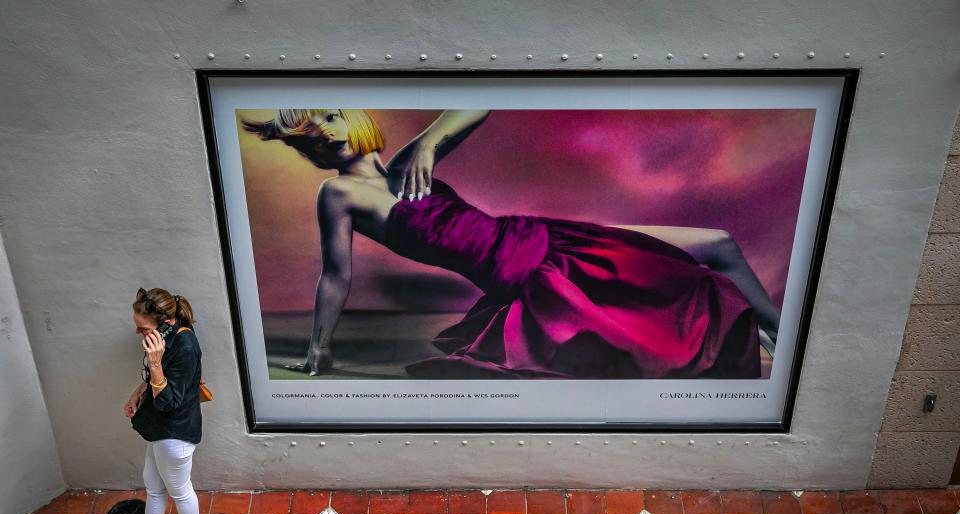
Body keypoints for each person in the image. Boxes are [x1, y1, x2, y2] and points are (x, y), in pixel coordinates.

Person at [242, 108, 780, 379]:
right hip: (530, 273)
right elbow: (336, 275)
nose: (329, 131)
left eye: (332, 116)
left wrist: (430, 141)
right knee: (711, 251)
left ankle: (781, 338)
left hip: (547, 237)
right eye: (313, 132)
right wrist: (319, 349)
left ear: (354, 117)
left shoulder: (407, 164)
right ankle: (772, 337)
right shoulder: (336, 193)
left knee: (719, 243)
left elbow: (478, 103)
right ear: (308, 147)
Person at [103, 288, 208, 514]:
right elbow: (155, 381)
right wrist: (138, 393)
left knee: (179, 490)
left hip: (175, 434)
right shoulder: (166, 337)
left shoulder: (185, 345)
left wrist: (154, 361)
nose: (138, 332)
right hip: (161, 431)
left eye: (142, 328)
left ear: (164, 322)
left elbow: (169, 401)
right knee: (154, 486)